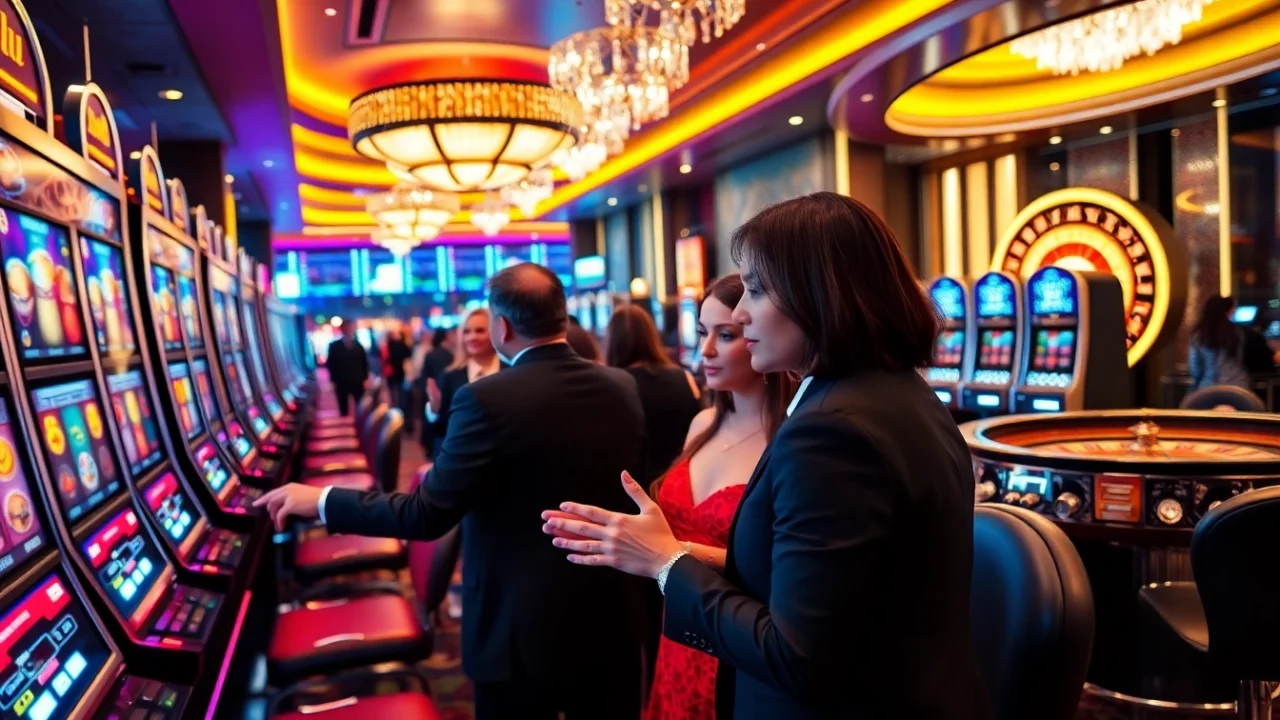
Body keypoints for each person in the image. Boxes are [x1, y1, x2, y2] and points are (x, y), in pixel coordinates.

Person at [543, 192, 993, 719]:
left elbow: (797, 656)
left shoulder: (831, 433)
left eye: (755, 290)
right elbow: (820, 578)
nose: (739, 310)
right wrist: (669, 548)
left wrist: (666, 566)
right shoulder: (903, 395)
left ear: (818, 295)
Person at [255, 263, 651, 720]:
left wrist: (321, 500)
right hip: (610, 619)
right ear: (562, 317)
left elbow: (427, 514)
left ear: (501, 327)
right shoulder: (622, 386)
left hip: (516, 629)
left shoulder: (486, 398)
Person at [644, 274, 795, 720]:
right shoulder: (702, 423)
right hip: (679, 630)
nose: (705, 350)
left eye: (724, 335)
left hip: (738, 640)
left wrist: (665, 553)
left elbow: (776, 572)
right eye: (702, 333)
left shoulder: (788, 442)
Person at [605, 305, 702, 485]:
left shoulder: (613, 386)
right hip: (683, 481)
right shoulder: (684, 377)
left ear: (612, 341)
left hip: (637, 487)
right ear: (651, 336)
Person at [425, 308, 501, 458]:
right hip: (464, 460)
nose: (472, 337)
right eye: (467, 332)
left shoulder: (512, 370)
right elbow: (440, 431)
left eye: (480, 331)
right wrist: (434, 410)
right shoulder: (450, 376)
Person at [1189, 296, 1253, 391]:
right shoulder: (1238, 332)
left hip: (1208, 388)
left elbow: (1195, 369)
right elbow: (1243, 359)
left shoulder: (1199, 335)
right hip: (1237, 387)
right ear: (1228, 311)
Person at [414, 327, 456, 452]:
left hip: (430, 393)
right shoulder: (449, 356)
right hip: (440, 395)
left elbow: (424, 376)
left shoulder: (432, 353)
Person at [324, 323, 369, 416]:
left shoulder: (358, 345)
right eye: (346, 328)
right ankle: (345, 423)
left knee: (360, 406)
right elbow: (331, 364)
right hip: (341, 381)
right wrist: (333, 380)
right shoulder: (334, 346)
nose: (348, 330)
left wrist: (366, 378)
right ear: (342, 330)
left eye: (350, 328)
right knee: (343, 406)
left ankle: (359, 425)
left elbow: (364, 362)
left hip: (357, 379)